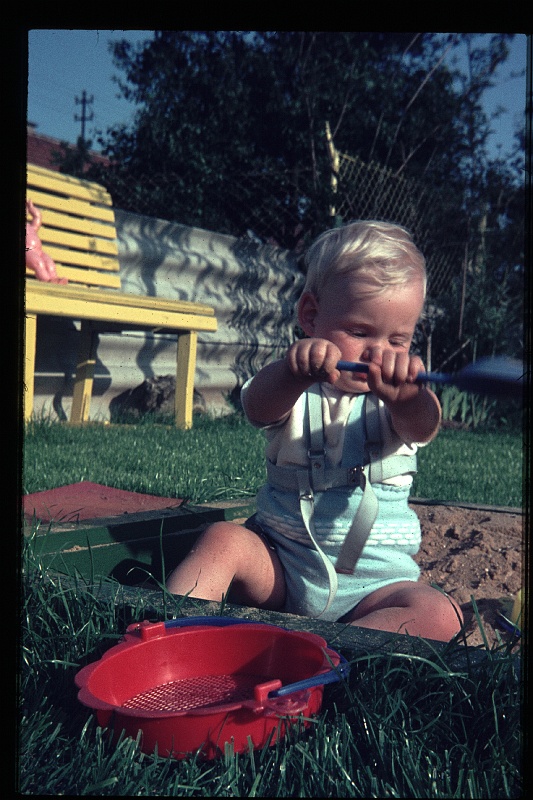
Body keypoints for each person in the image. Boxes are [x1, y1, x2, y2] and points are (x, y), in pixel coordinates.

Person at [166, 220, 463, 641]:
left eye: (397, 340)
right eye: (359, 332)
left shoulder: (397, 404)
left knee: (441, 613)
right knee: (223, 540)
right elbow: (257, 407)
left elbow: (423, 423)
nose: (378, 353)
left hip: (375, 589)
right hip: (284, 569)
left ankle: (328, 652)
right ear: (310, 315)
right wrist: (292, 373)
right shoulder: (295, 390)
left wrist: (408, 396)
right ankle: (170, 636)